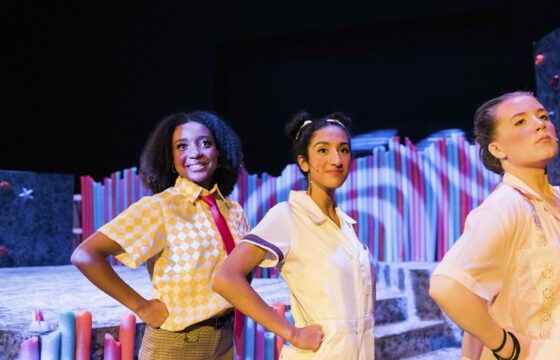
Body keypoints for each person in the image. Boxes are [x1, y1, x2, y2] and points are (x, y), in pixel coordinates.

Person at [428, 91, 560, 359]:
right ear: (497, 149)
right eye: (520, 122)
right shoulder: (505, 207)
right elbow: (447, 287)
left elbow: (483, 296)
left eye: (543, 116)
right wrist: (507, 347)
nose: (539, 124)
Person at [71, 111, 249, 360]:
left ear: (219, 152)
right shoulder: (160, 207)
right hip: (177, 345)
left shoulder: (234, 211)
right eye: (182, 146)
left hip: (227, 342)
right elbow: (85, 255)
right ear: (171, 158)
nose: (195, 153)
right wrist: (142, 307)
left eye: (205, 143)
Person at [212, 111, 375, 359]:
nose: (337, 159)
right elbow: (225, 278)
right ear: (303, 162)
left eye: (343, 149)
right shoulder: (287, 216)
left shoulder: (345, 226)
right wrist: (292, 333)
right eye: (323, 150)